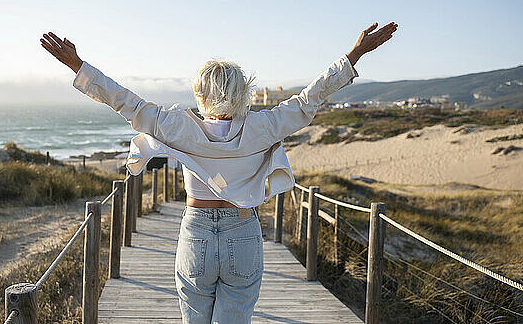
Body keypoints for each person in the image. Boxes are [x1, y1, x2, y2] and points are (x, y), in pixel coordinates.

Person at [40, 21, 398, 323]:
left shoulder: (178, 126)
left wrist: (78, 65)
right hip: (242, 229)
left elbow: (124, 101)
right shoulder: (263, 126)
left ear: (200, 93)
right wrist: (353, 55)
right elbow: (309, 99)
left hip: (195, 229)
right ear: (243, 93)